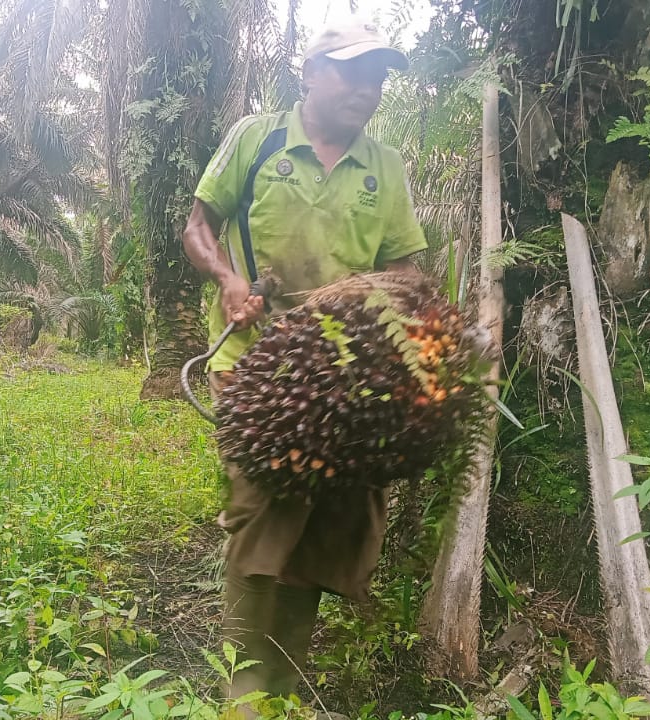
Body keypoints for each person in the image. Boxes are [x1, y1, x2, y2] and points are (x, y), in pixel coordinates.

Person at [181, 21, 429, 707]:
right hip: (253, 367)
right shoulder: (257, 140)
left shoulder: (384, 166)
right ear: (310, 73)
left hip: (339, 381)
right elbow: (198, 224)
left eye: (378, 75)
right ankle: (244, 686)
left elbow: (406, 267)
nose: (368, 87)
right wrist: (229, 280)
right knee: (259, 517)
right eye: (352, 71)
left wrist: (373, 296)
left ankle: (284, 679)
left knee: (321, 527)